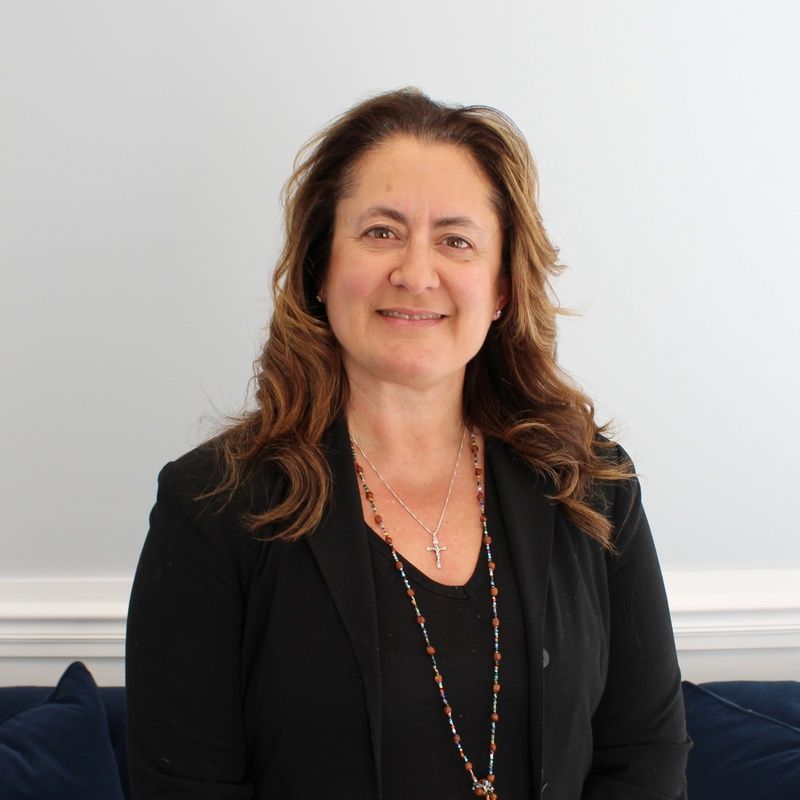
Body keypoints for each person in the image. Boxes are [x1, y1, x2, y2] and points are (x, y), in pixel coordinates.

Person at [126, 88, 690, 800]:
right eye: (381, 232)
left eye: (456, 240)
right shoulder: (211, 507)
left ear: (503, 286)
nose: (416, 273)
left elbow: (644, 757)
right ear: (319, 271)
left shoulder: (592, 485)